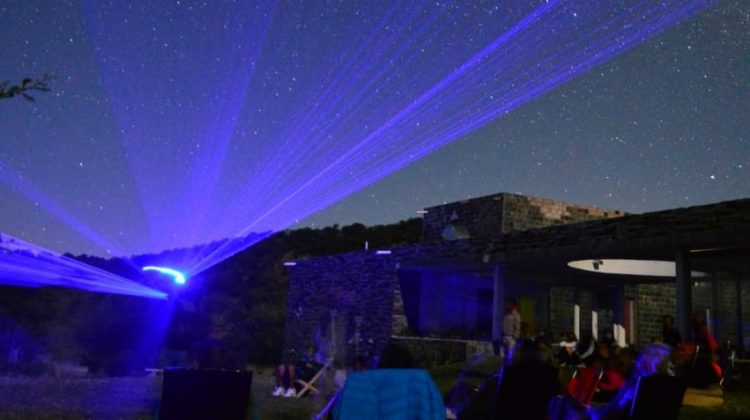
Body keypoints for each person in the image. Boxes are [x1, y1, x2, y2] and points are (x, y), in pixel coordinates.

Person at [502, 299, 521, 363]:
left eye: (509, 304)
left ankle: (509, 368)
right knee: (503, 355)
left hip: (511, 337)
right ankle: (504, 368)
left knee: (510, 355)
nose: (507, 305)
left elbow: (517, 327)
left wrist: (514, 337)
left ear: (513, 305)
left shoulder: (516, 315)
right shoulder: (507, 314)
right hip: (505, 336)